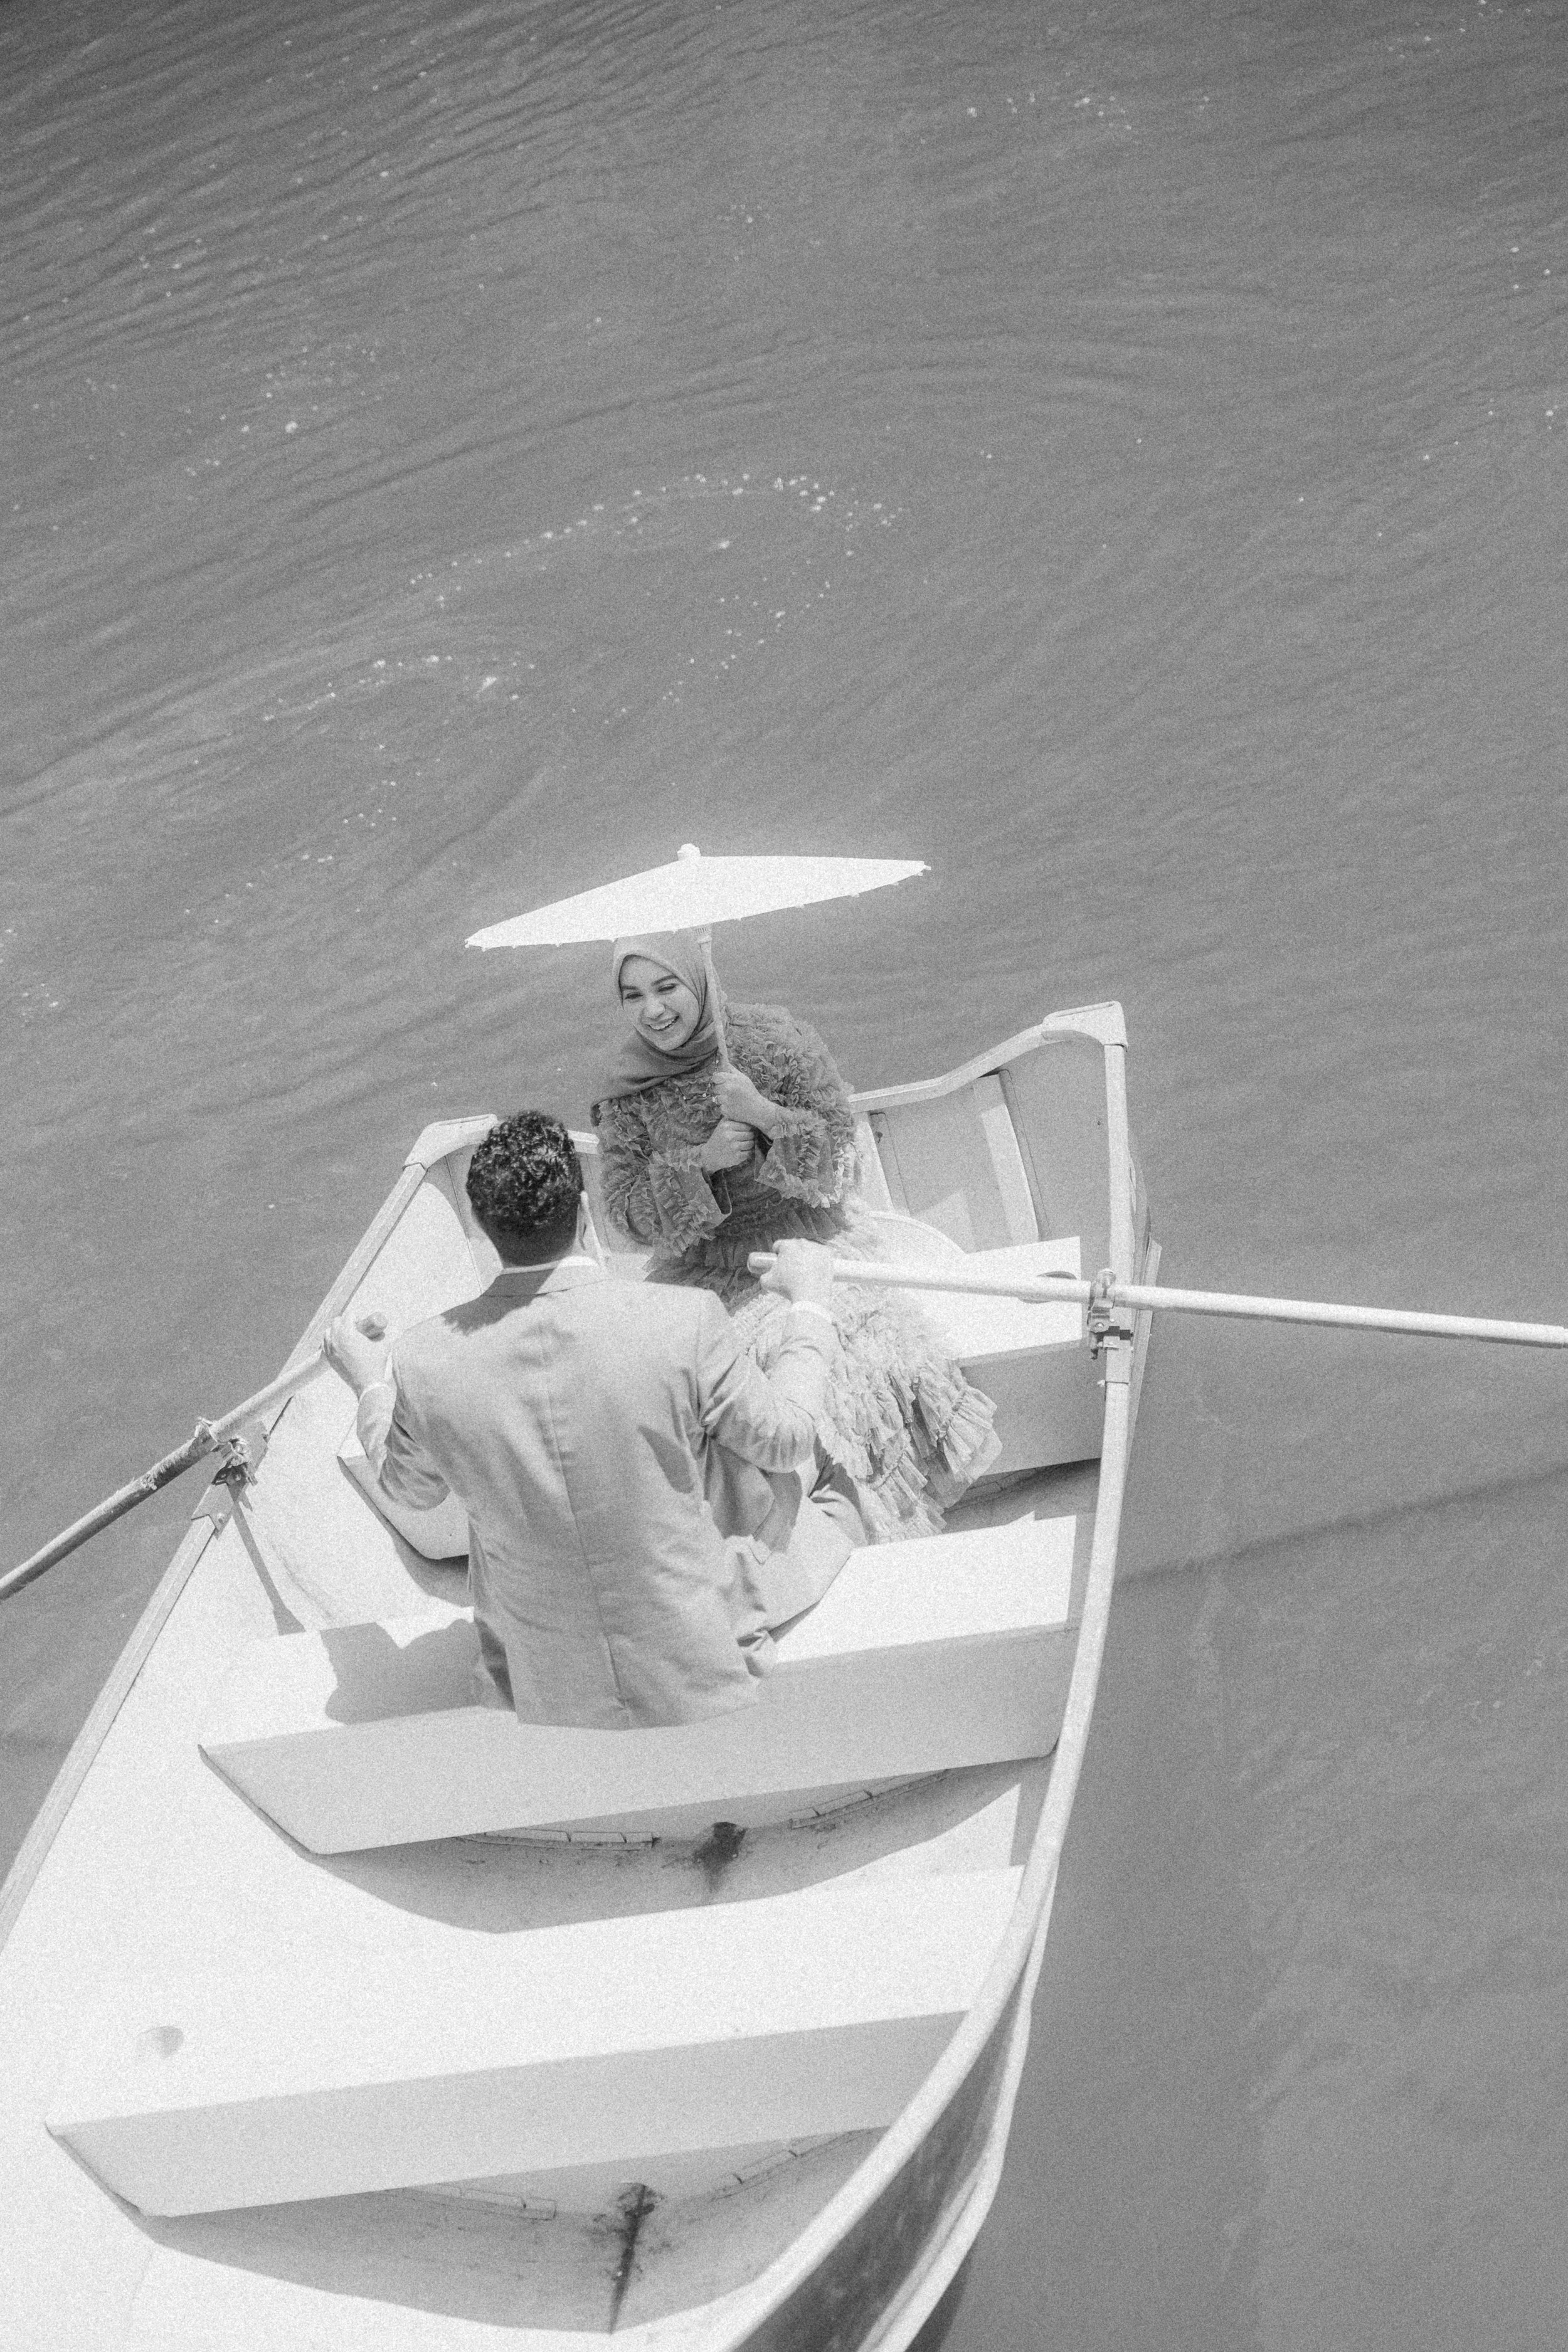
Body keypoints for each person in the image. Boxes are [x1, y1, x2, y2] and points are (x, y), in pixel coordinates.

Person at [326, 1111, 856, 1731]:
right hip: (703, 1647)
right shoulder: (685, 1319)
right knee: (832, 1476)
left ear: (480, 1226)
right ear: (583, 1212)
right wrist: (810, 1301)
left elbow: (409, 1489)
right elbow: (785, 1436)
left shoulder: (421, 1359)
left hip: (537, 1674)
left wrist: (369, 1385)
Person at [591, 932, 1000, 1542]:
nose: (652, 1009)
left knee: (830, 1361)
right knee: (687, 1383)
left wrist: (763, 1114)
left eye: (667, 987)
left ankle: (852, 1525)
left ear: (698, 982)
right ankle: (764, 1531)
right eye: (634, 995)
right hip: (703, 1268)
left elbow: (841, 1158)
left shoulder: (773, 1043)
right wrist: (697, 1164)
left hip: (810, 1243)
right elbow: (624, 1219)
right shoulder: (625, 1092)